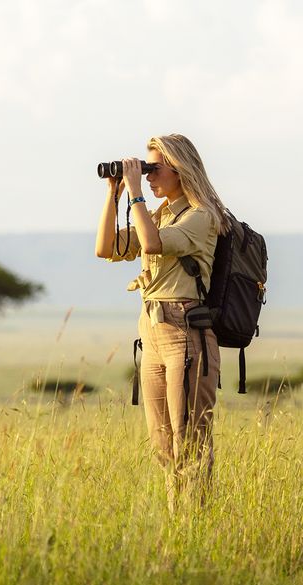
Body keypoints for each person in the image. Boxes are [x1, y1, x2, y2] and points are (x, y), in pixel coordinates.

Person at [94, 133, 232, 511]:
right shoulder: (157, 215)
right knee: (163, 445)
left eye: (155, 169)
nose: (149, 176)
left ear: (179, 169)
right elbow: (104, 248)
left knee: (189, 441)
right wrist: (115, 193)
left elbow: (152, 244)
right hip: (152, 337)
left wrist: (136, 191)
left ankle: (197, 525)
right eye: (146, 168)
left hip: (186, 336)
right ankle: (177, 524)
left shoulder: (202, 216)